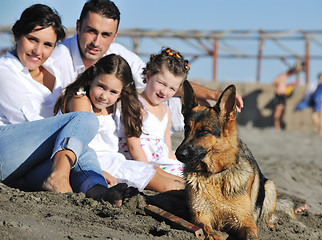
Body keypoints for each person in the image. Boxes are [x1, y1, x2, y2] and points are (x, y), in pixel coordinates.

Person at [0, 4, 130, 206]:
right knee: (84, 120)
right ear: (18, 35)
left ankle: (98, 191)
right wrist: (72, 148)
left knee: (85, 153)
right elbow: (34, 123)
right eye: (32, 39)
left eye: (48, 45)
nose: (38, 51)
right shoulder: (5, 72)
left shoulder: (52, 72)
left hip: (26, 169)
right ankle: (59, 176)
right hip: (7, 151)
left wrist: (79, 155)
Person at [51, 0, 243, 134]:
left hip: (116, 126)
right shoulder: (58, 59)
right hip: (77, 129)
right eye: (91, 31)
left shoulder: (117, 53)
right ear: (77, 27)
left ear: (115, 35)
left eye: (105, 35)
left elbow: (160, 81)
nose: (96, 41)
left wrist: (214, 95)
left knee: (187, 104)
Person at [54, 53, 186, 193]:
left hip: (116, 161)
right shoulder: (81, 100)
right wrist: (97, 171)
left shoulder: (112, 107)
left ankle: (199, 190)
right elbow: (79, 143)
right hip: (96, 163)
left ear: (121, 93)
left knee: (157, 171)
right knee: (159, 181)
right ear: (92, 78)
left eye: (113, 91)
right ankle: (191, 194)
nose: (104, 96)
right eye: (101, 86)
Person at [119, 48, 187, 177]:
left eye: (172, 88)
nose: (165, 92)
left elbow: (167, 147)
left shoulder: (167, 110)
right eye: (161, 83)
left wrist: (174, 162)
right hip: (140, 162)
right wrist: (148, 172)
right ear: (148, 76)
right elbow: (134, 147)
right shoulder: (136, 104)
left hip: (161, 162)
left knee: (188, 173)